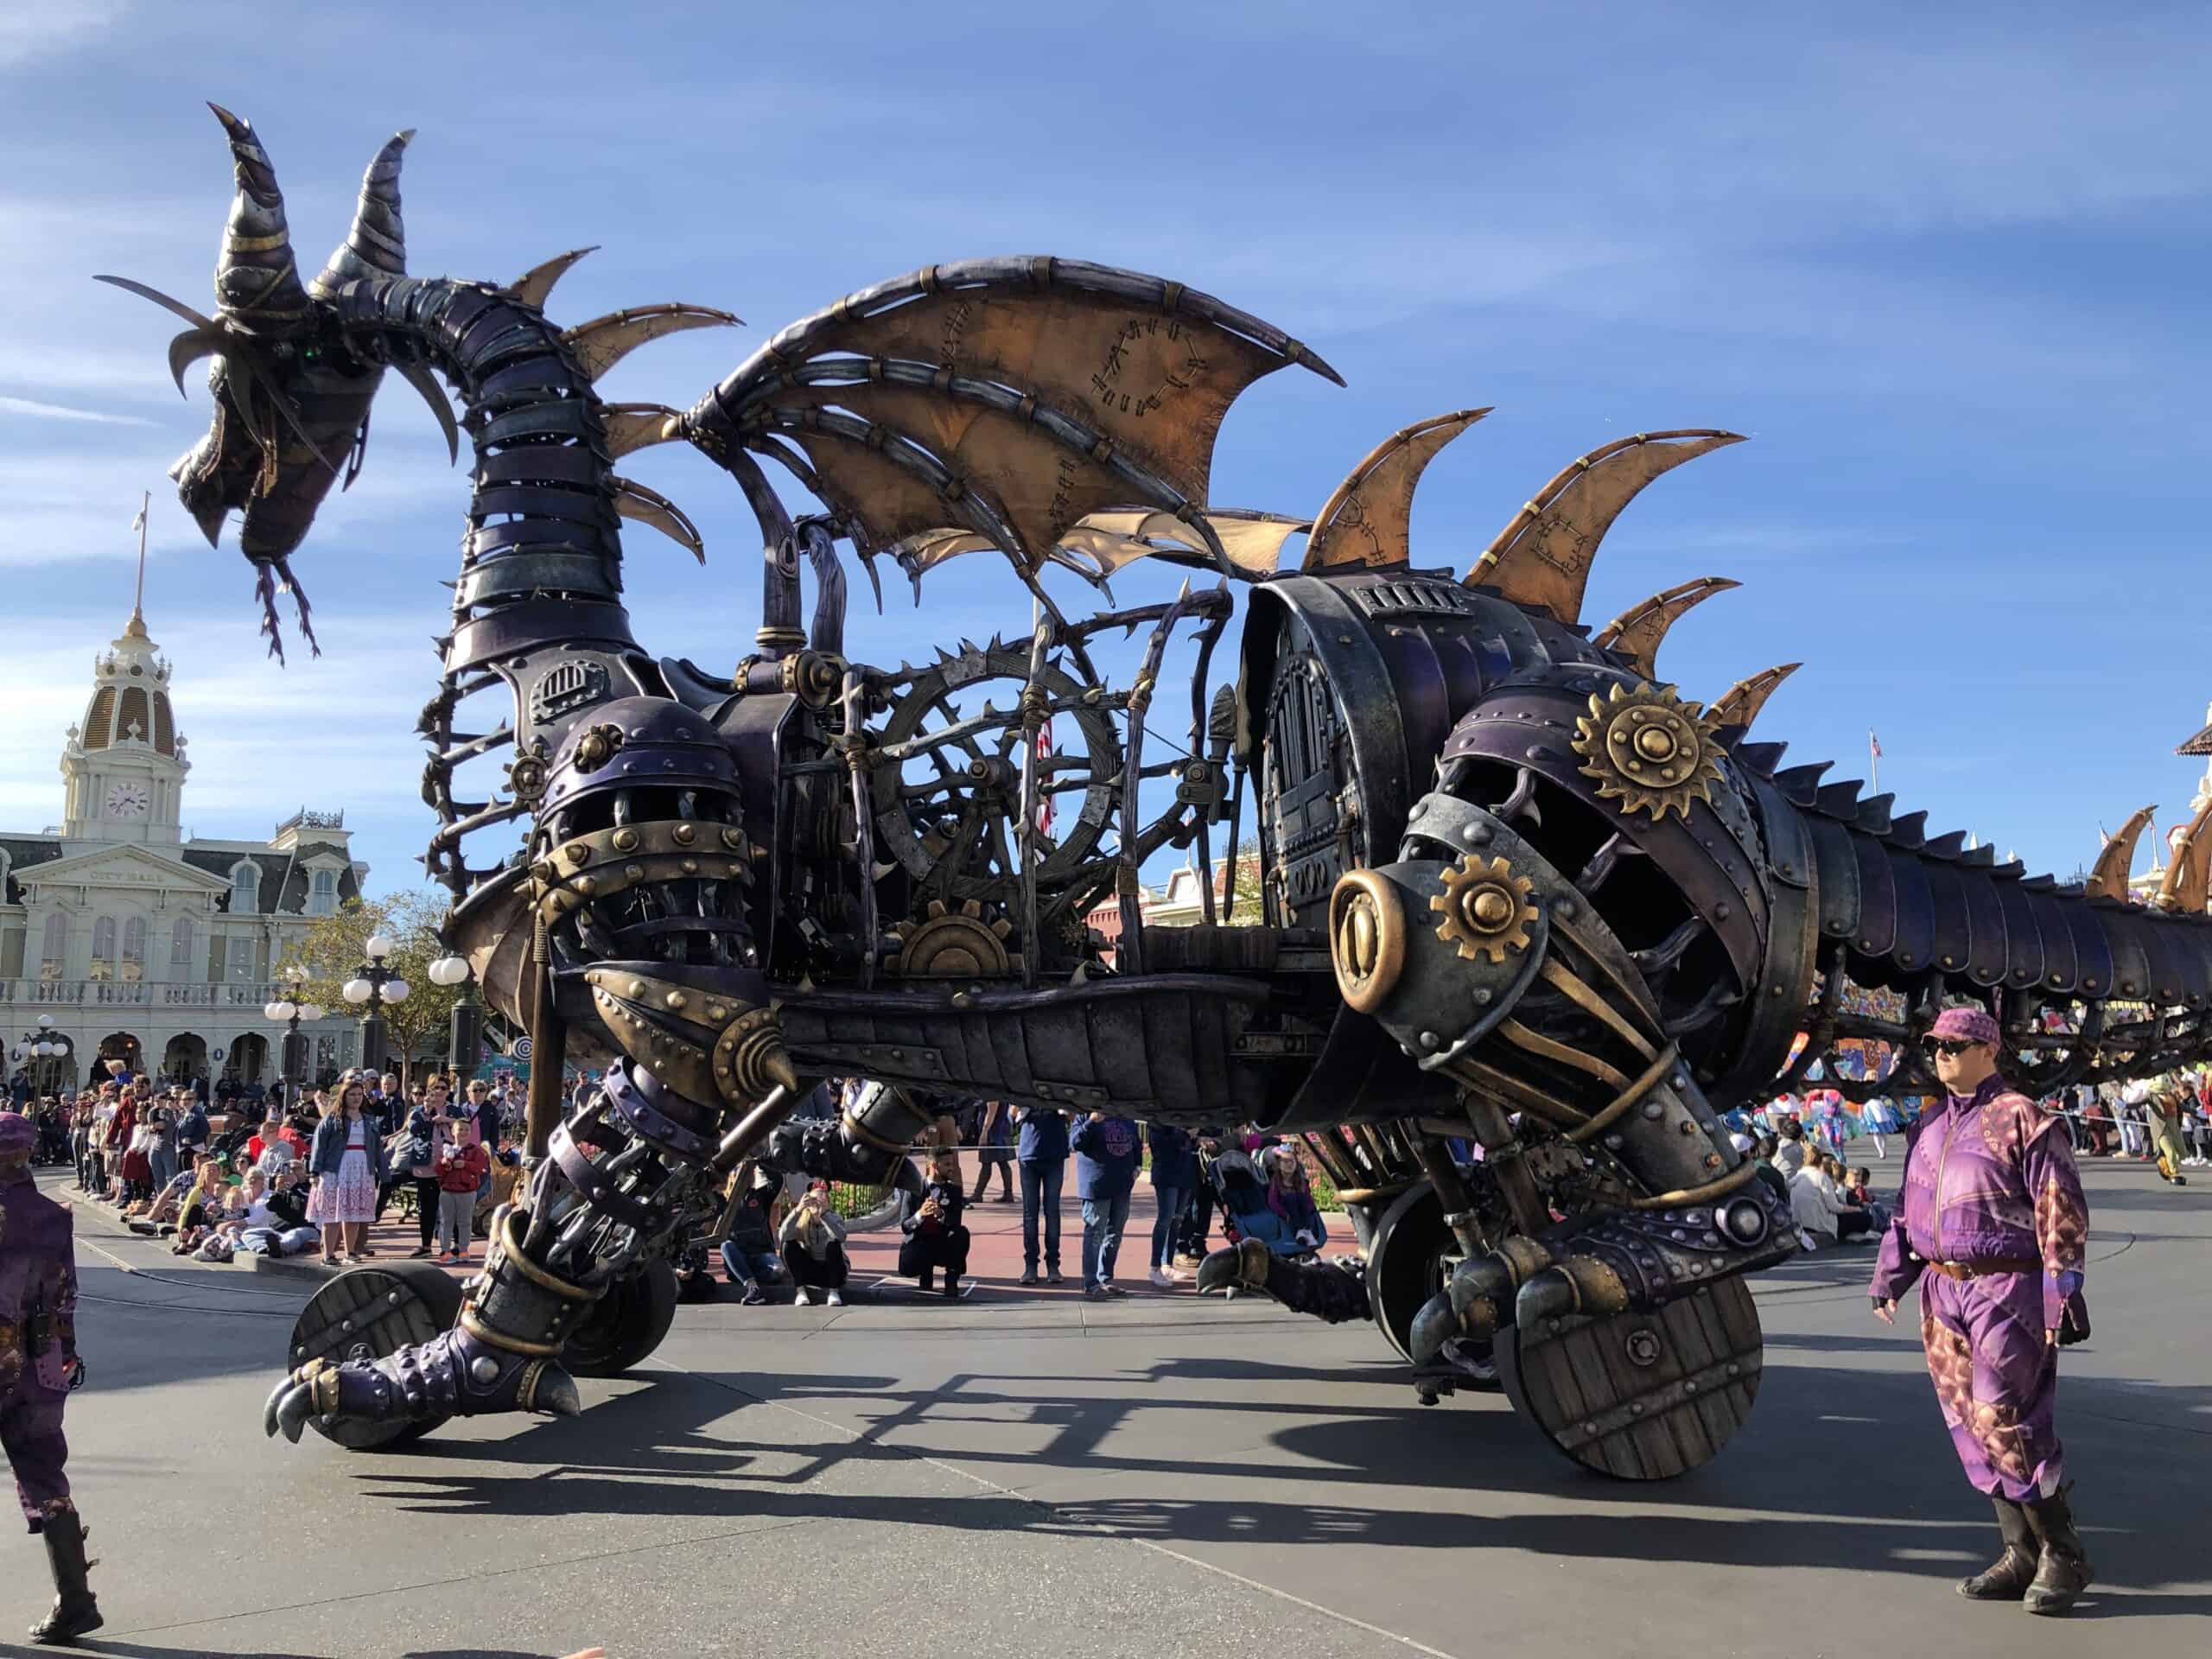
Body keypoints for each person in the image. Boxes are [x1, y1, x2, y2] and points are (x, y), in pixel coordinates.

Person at [1870, 1007, 2093, 1616]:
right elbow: (1905, 1208)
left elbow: (2059, 1206)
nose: (1941, 1053)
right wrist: (1891, 1276)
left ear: (1988, 1050)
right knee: (1969, 1423)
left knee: (2005, 1417)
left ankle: (2062, 1552)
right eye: (1935, 1044)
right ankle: (2020, 1552)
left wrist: (2061, 1289)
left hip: (2006, 1290)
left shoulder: (2022, 1118)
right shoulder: (1931, 1126)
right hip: (1941, 1292)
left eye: (1955, 1044)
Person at [0, 1113, 100, 1644]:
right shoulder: (53, 1217)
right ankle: (76, 1601)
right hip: (38, 1363)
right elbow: (66, 1296)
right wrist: (66, 1351)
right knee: (45, 1476)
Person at [306, 1078, 387, 1266]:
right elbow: (319, 1146)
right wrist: (315, 1172)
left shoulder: (369, 1120)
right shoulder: (331, 1120)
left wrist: (384, 1173)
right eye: (352, 1094)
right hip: (337, 1168)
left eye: (359, 1094)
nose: (356, 1098)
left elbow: (377, 1149)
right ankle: (328, 1254)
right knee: (332, 1213)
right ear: (344, 1096)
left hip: (361, 1168)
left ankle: (351, 1252)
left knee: (354, 1214)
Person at [1071, 1109, 1141, 1299]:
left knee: (1115, 1234)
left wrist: (1138, 1165)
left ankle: (1106, 1279)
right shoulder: (1085, 1115)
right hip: (1097, 1185)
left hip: (1123, 1184)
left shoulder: (1125, 1114)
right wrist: (1091, 1122)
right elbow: (1075, 1143)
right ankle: (1090, 1283)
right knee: (1095, 1233)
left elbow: (1136, 1142)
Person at [899, 1149, 972, 1298]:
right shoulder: (914, 1189)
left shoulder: (954, 1191)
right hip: (921, 1242)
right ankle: (925, 1272)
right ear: (934, 1165)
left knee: (962, 1233)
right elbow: (905, 1226)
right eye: (946, 1164)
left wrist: (941, 1214)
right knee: (908, 1266)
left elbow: (955, 1224)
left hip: (943, 1243)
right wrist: (920, 1214)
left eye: (952, 1164)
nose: (951, 1168)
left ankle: (951, 1278)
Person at [1014, 1103, 1069, 1287]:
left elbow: (1073, 1116)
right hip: (1029, 1154)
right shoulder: (1022, 1085)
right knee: (1030, 1214)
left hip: (1054, 1154)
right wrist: (1018, 1109)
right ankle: (1030, 1265)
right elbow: (1011, 1114)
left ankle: (1053, 1264)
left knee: (1052, 1212)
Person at [717, 1166, 785, 1305]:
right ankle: (753, 1288)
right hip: (740, 1255)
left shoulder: (761, 1196)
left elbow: (777, 1180)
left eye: (748, 1173)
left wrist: (760, 1160)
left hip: (762, 1254)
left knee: (779, 1270)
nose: (744, 1176)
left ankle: (746, 1275)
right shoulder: (722, 1202)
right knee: (726, 1245)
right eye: (739, 1173)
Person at [1144, 1121, 1198, 1288]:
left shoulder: (1187, 1116)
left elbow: (1188, 1143)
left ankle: (1167, 1264)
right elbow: (1160, 1145)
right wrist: (1186, 1134)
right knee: (1165, 1220)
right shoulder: (1157, 1120)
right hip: (1167, 1174)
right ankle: (1155, 1267)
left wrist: (1198, 1139)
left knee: (1177, 1220)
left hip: (1185, 1172)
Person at [779, 1182, 849, 1306]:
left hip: (834, 1271)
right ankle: (801, 1292)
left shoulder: (835, 1218)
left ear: (828, 1203)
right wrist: (797, 1210)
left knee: (833, 1244)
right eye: (813, 1200)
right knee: (788, 1245)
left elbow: (841, 1237)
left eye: (821, 1200)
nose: (817, 1204)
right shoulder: (802, 1221)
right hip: (812, 1270)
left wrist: (824, 1216)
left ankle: (834, 1292)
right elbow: (783, 1236)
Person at [434, 1130, 487, 1265]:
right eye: (460, 1129)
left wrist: (465, 1165)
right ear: (453, 1132)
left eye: (466, 1129)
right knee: (446, 1222)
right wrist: (444, 1163)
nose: (463, 1132)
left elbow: (481, 1168)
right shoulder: (446, 1149)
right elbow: (437, 1170)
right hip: (447, 1191)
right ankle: (445, 1251)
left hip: (467, 1191)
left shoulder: (476, 1150)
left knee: (465, 1222)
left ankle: (463, 1251)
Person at [1264, 1145, 1328, 1249]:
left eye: (1292, 1161)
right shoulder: (1276, 1181)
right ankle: (1300, 1231)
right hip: (1287, 1213)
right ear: (1279, 1165)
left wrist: (1311, 1209)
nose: (1289, 1164)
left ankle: (1305, 1231)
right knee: (1291, 1198)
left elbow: (1308, 1199)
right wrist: (1284, 1214)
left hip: (1302, 1214)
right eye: (1285, 1161)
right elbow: (1272, 1201)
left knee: (1302, 1198)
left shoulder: (1300, 1180)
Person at [969, 1100, 1014, 1203]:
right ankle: (1008, 1193)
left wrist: (984, 1133)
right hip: (999, 1132)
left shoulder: (991, 1093)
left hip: (994, 1134)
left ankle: (978, 1194)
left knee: (987, 1164)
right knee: (1002, 1163)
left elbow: (991, 1112)